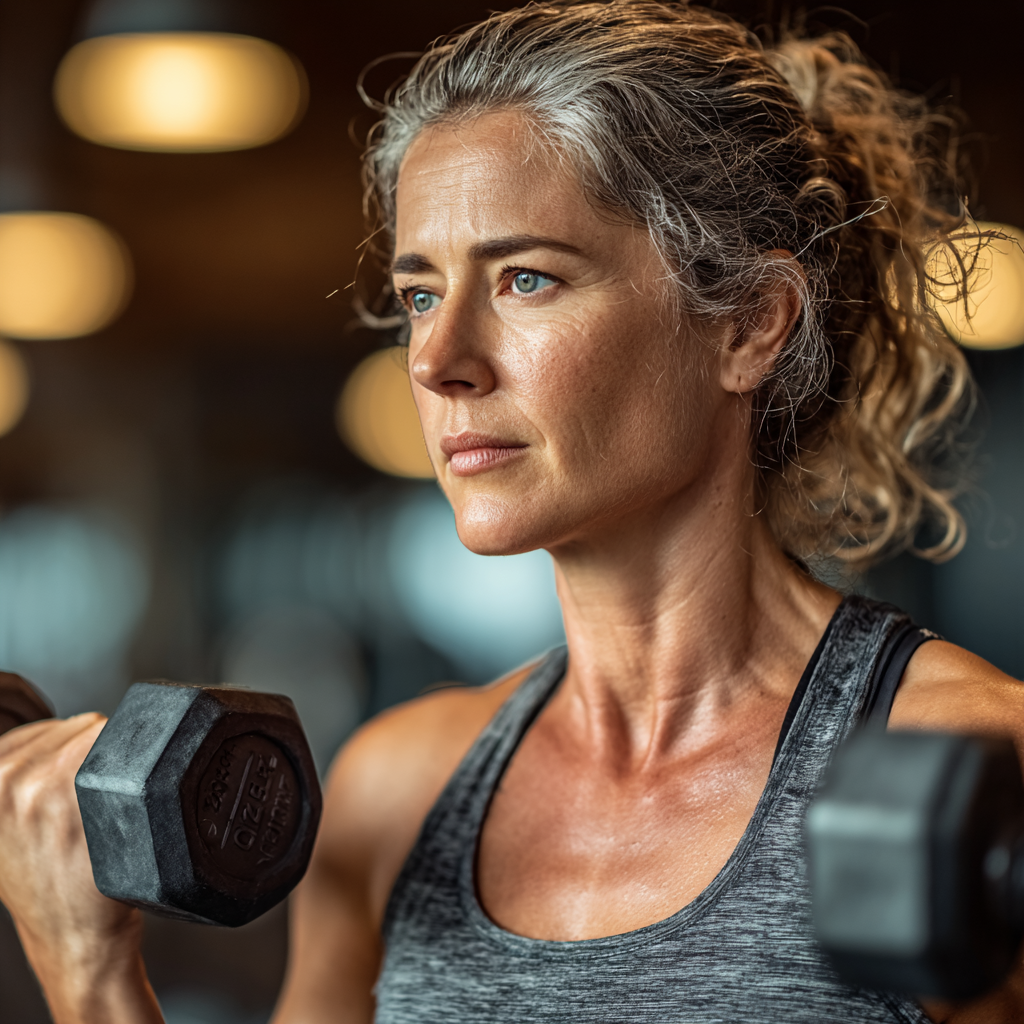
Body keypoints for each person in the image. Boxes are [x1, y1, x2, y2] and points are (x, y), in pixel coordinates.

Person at [1, 2, 1022, 1022]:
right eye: (417, 295)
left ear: (750, 324)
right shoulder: (394, 792)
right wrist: (90, 977)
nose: (438, 363)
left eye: (526, 278)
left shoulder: (974, 770)